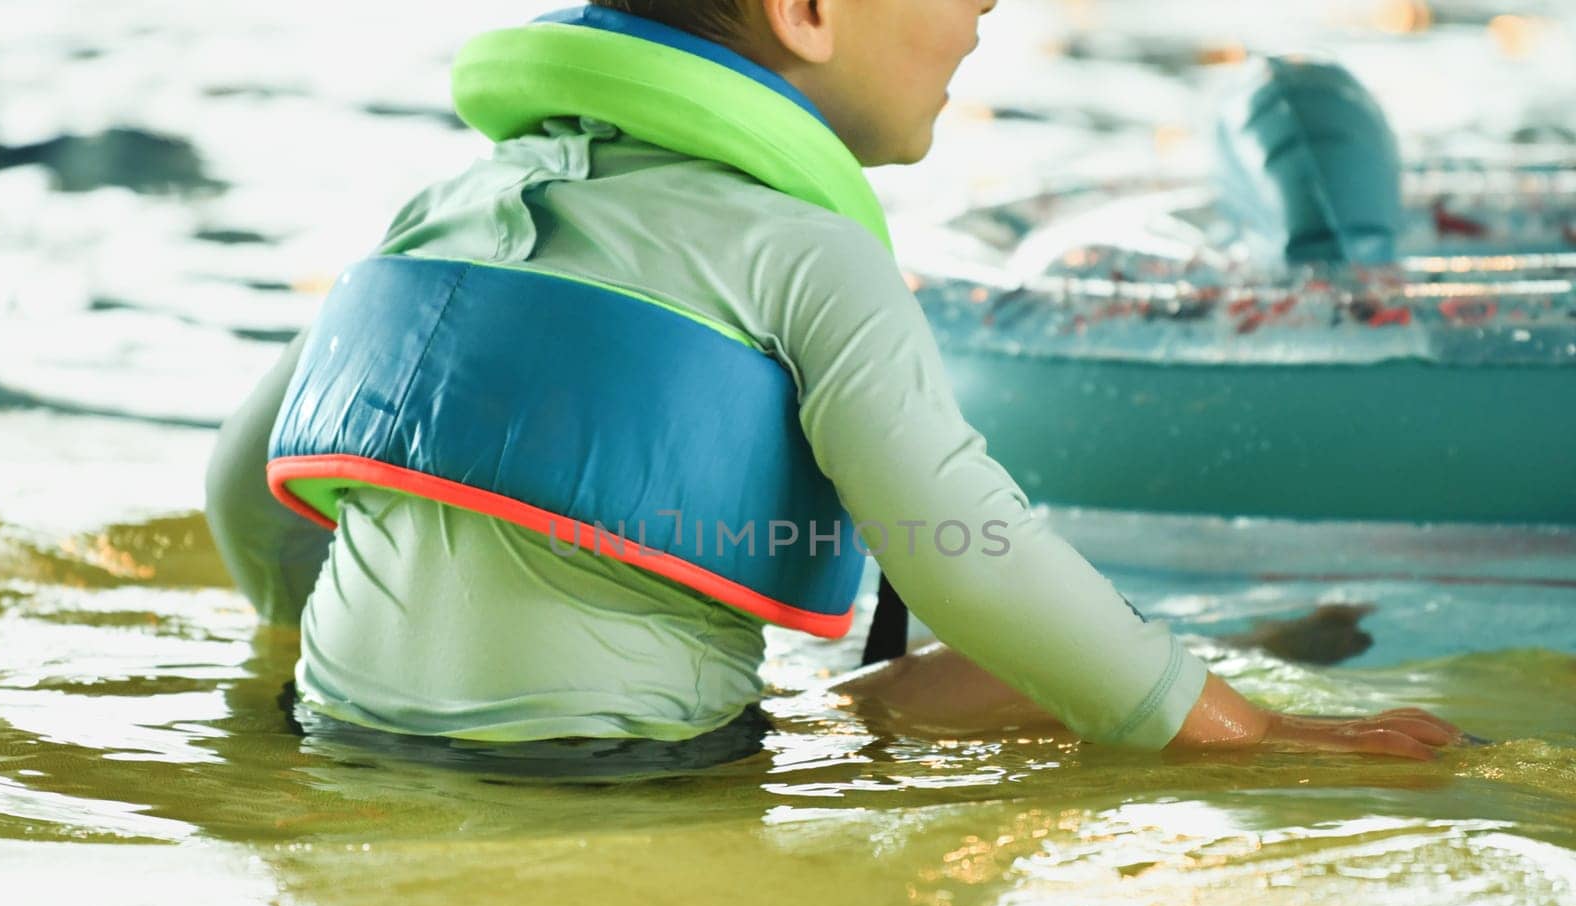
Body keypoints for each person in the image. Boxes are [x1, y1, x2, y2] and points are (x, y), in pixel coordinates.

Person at [205, 0, 1466, 767]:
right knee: (1036, 666)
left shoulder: (446, 205)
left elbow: (248, 485)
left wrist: (323, 650)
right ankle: (1251, 668)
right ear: (806, 13)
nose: (983, 10)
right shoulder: (803, 253)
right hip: (629, 770)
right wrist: (1231, 729)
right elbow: (957, 541)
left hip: (348, 730)